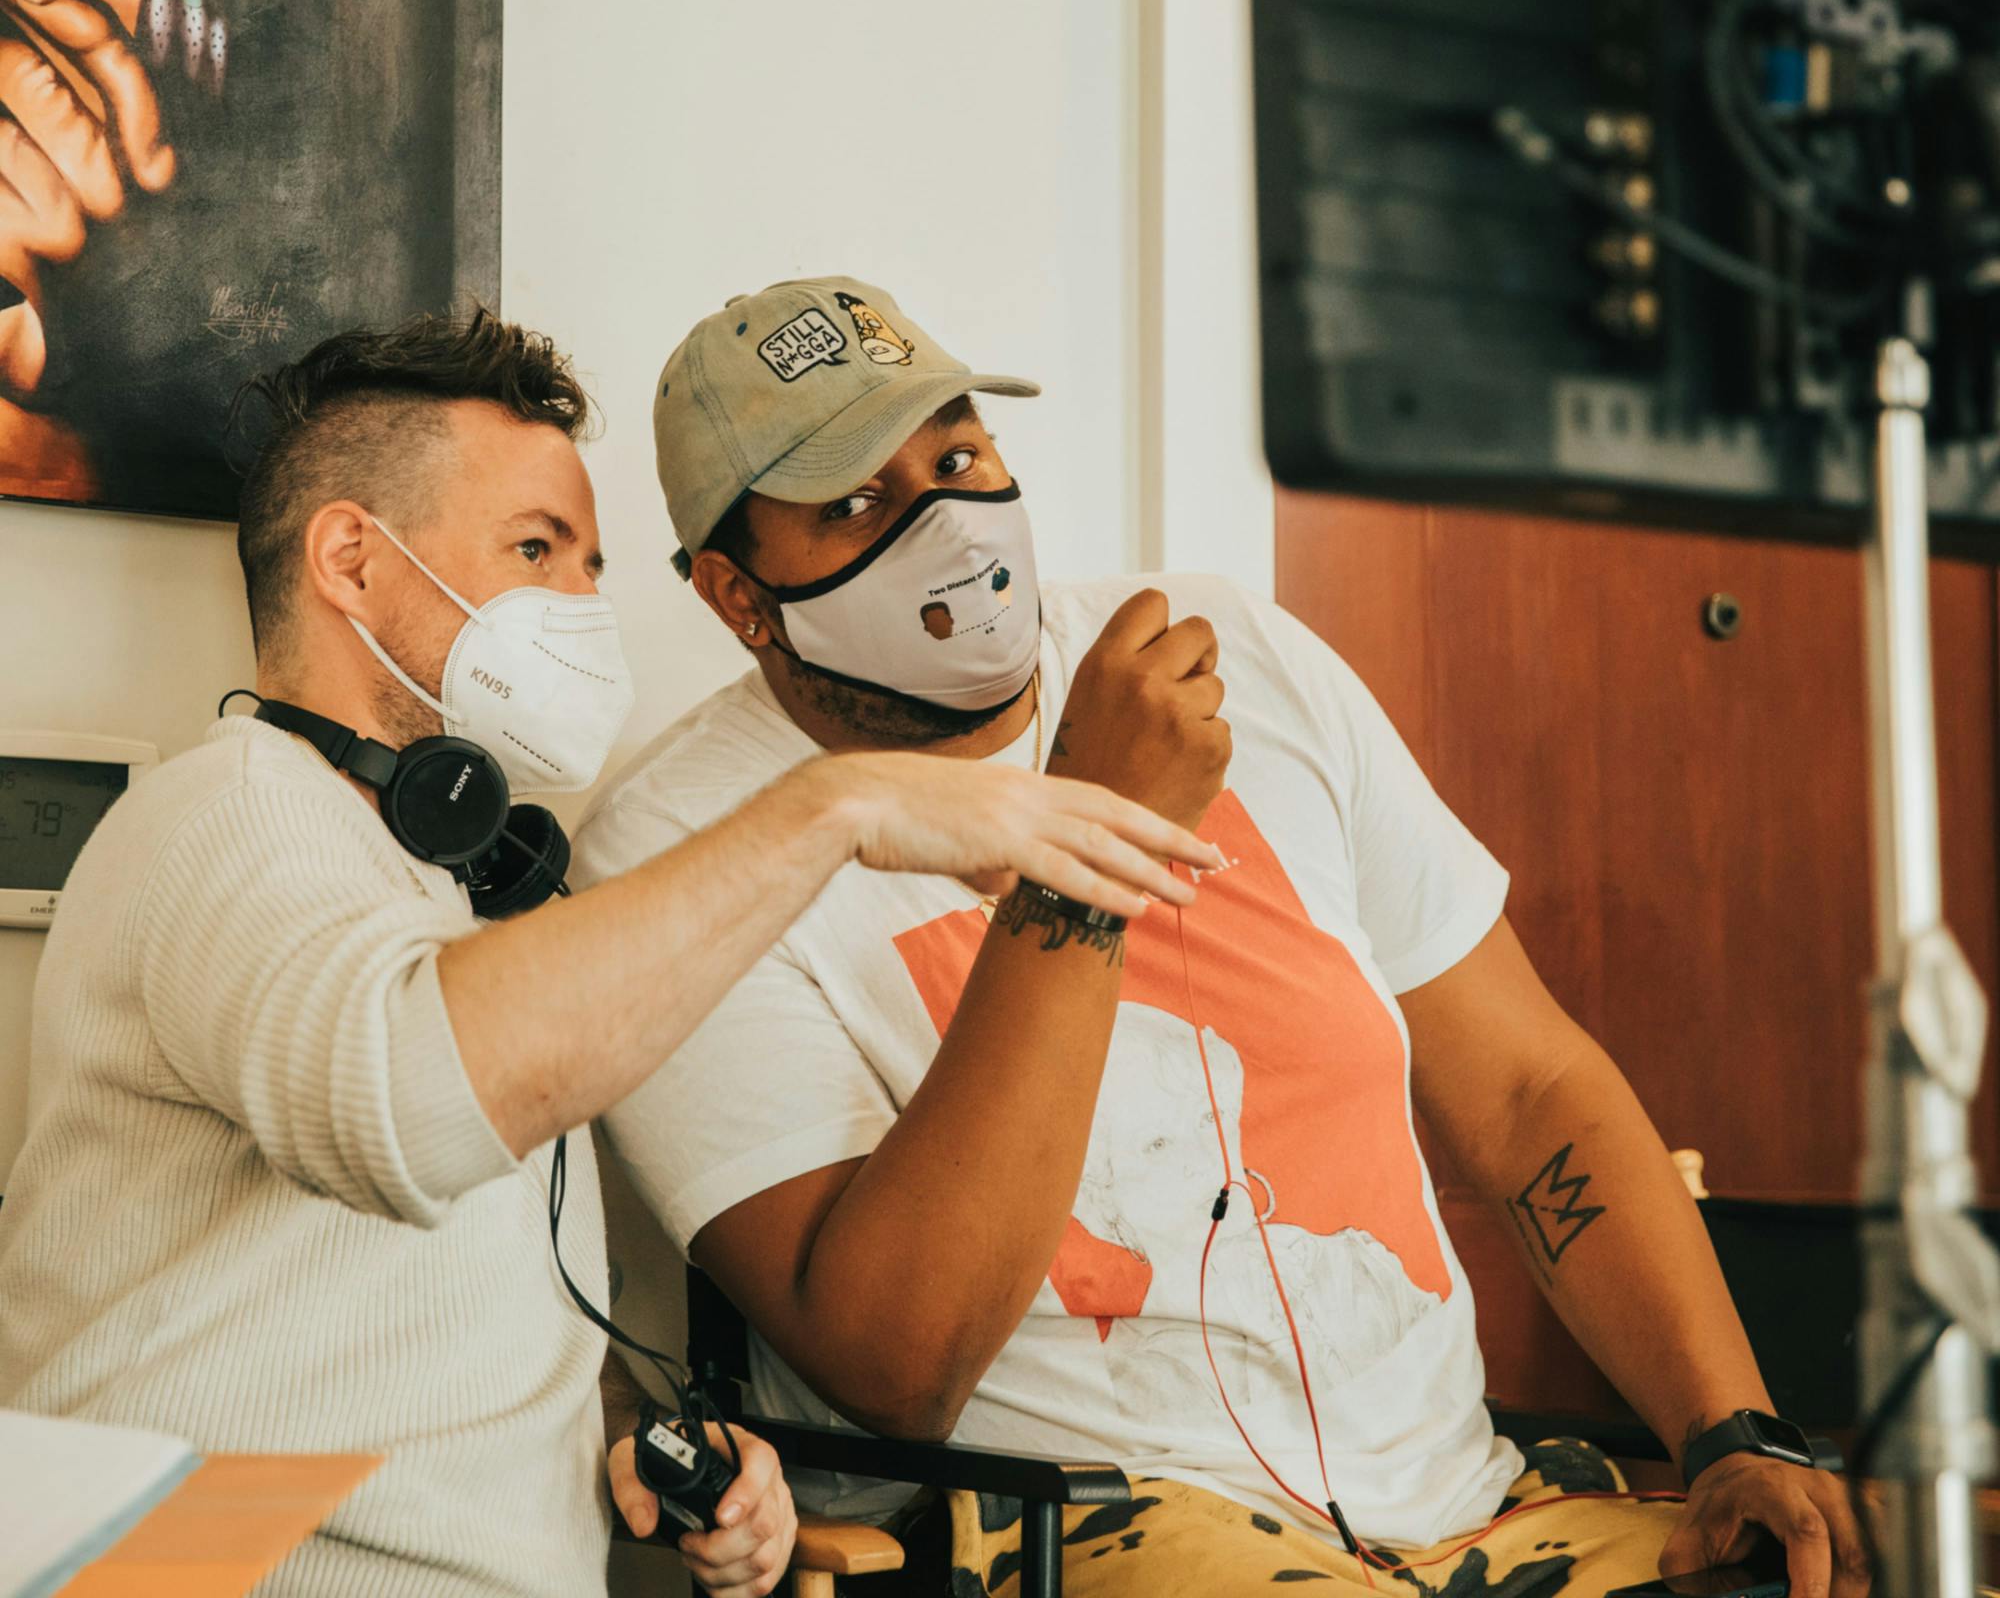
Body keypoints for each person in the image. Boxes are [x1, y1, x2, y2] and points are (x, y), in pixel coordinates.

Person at [574, 278, 1871, 1598]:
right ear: (741, 598)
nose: (944, 521)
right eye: (855, 501)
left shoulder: (1222, 648)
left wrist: (1733, 1440)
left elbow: (1531, 1090)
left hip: (1472, 1515)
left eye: (958, 457)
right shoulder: (680, 852)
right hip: (1084, 1539)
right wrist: (1095, 840)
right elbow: (899, 1363)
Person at [0, 308, 1213, 1598]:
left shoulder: (467, 898)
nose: (584, 607)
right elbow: (402, 1106)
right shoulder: (229, 814)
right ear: (351, 560)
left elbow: (413, 1347)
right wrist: (833, 807)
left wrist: (644, 1449)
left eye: (589, 565)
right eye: (537, 550)